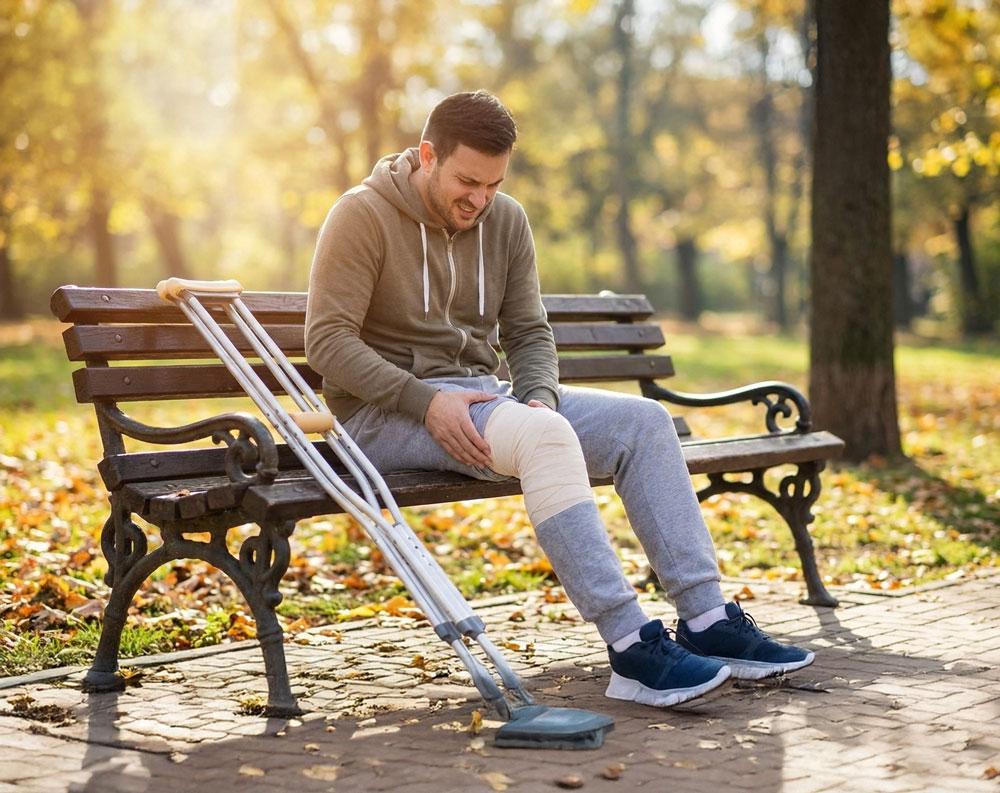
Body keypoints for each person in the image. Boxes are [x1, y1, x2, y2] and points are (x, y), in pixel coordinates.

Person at [305, 90, 814, 708]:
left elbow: (527, 331)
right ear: (428, 155)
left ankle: (706, 619)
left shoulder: (506, 220)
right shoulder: (361, 214)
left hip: (486, 399)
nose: (480, 199)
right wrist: (424, 401)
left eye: (493, 184)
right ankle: (630, 647)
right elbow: (328, 343)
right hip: (382, 415)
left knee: (646, 423)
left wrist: (539, 397)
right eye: (467, 181)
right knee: (543, 437)